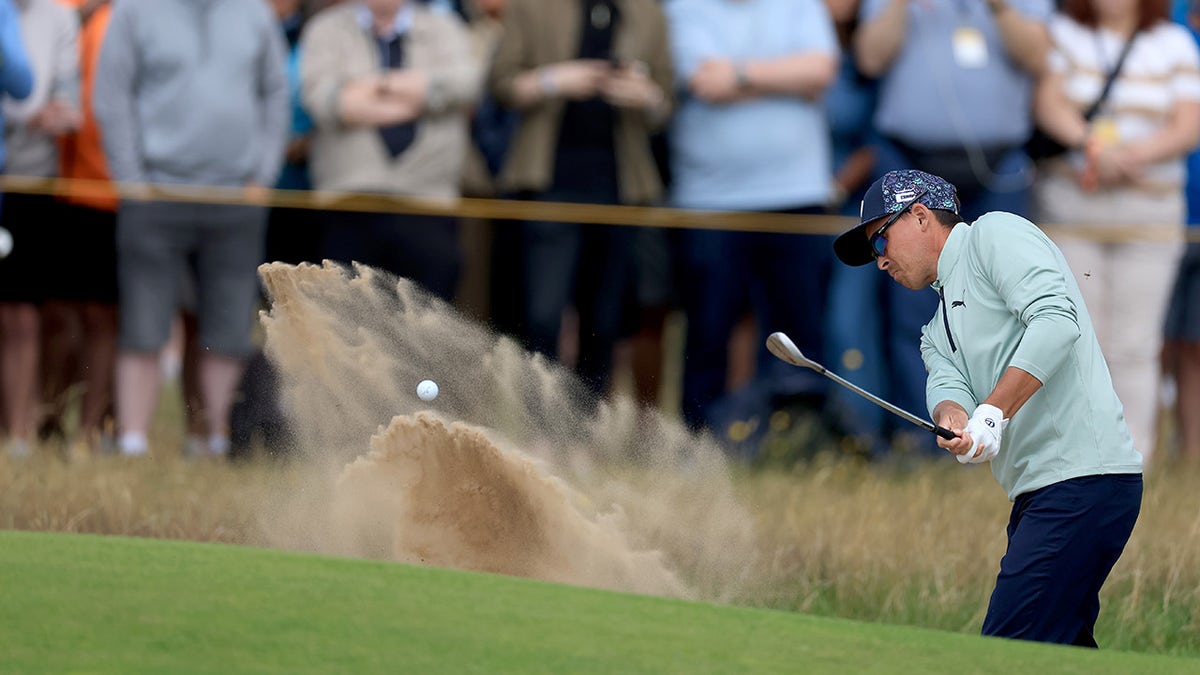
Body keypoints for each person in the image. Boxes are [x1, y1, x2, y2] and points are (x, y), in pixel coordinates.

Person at [833, 168, 1142, 646]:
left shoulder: (993, 235)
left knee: (1007, 647)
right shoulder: (934, 329)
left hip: (1085, 479)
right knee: (1061, 651)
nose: (880, 261)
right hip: (1039, 494)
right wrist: (955, 420)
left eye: (880, 242)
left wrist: (992, 412)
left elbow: (1056, 320)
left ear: (919, 217)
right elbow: (948, 387)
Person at [851, 0, 1052, 456]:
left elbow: (1039, 57)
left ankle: (1003, 429)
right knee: (912, 303)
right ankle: (924, 435)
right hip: (911, 160)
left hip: (997, 165)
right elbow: (870, 56)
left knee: (1007, 302)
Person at [93, 0, 290, 458]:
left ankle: (218, 440)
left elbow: (276, 91)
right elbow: (112, 95)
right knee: (143, 321)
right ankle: (133, 442)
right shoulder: (134, 11)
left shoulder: (255, 13)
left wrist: (262, 174)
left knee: (229, 325)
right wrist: (131, 181)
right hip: (155, 192)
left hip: (236, 196)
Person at [1030, 0, 1200, 460]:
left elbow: (1188, 124)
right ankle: (1074, 463)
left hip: (1149, 214)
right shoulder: (1063, 32)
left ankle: (1130, 464)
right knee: (1077, 342)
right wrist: (1092, 147)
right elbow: (1048, 103)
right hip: (1072, 211)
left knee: (1135, 346)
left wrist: (1131, 158)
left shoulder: (1174, 43)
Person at [663, 0, 839, 442]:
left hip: (798, 192)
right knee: (708, 330)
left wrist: (739, 75)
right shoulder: (683, 7)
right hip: (710, 199)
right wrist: (788, 78)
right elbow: (705, 82)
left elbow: (821, 70)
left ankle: (797, 440)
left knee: (801, 332)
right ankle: (699, 441)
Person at [488, 0, 672, 397]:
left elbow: (666, 104)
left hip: (620, 187)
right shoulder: (531, 8)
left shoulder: (648, 12)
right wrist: (555, 80)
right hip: (549, 182)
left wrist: (645, 95)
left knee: (604, 319)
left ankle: (585, 432)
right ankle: (543, 427)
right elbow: (500, 86)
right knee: (542, 314)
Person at [0, 0, 45, 458]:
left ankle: (16, 436)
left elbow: (23, 84)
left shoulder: (3, 13)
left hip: (4, 186)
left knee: (15, 313)